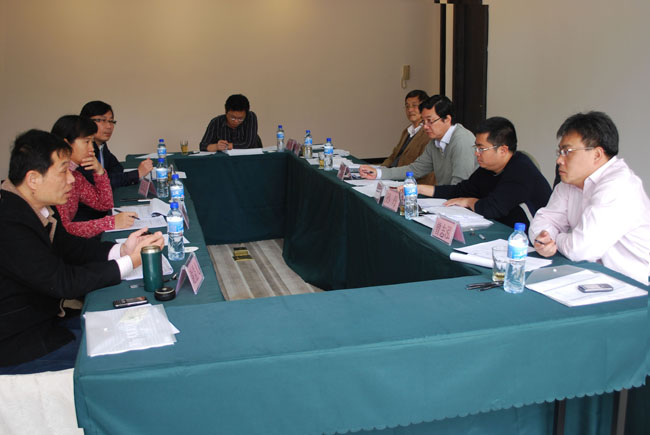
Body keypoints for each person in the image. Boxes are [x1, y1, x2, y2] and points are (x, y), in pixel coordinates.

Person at [0, 130, 164, 372]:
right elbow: (63, 282)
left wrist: (122, 250)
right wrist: (129, 262)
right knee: (128, 355)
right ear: (33, 179)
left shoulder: (35, 207)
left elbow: (72, 248)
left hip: (47, 319)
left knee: (134, 325)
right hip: (18, 341)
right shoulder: (9, 222)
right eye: (63, 171)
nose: (71, 179)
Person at [530, 111, 650, 285]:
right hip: (591, 276)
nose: (559, 160)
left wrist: (556, 238)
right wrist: (544, 239)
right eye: (559, 152)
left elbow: (580, 249)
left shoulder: (620, 184)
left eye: (567, 152)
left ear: (597, 155)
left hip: (633, 285)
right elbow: (543, 219)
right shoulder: (569, 183)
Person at [418, 117, 551, 228]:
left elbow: (491, 208)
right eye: (476, 147)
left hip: (527, 239)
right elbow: (460, 191)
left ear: (503, 150)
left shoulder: (521, 170)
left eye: (481, 149)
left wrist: (469, 202)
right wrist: (418, 188)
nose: (476, 153)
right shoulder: (487, 169)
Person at [359, 95, 477, 185]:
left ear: (447, 119)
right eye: (423, 121)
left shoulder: (462, 140)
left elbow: (461, 185)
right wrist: (378, 173)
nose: (425, 127)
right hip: (446, 199)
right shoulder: (434, 141)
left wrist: (429, 191)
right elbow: (415, 169)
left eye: (430, 121)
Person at [51, 115, 138, 238]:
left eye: (92, 142)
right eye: (86, 142)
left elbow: (104, 205)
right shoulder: (54, 179)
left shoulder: (76, 176)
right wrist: (110, 222)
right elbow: (63, 230)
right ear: (66, 144)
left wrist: (99, 171)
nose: (92, 149)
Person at [79, 100, 153, 189]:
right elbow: (95, 183)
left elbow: (117, 168)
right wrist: (137, 174)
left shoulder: (101, 145)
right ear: (85, 122)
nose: (109, 126)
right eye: (102, 120)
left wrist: (111, 177)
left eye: (111, 121)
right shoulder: (83, 151)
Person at [381, 90, 436, 184]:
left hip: (410, 183)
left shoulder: (428, 134)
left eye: (414, 105)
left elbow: (424, 171)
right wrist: (380, 169)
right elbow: (393, 156)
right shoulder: (407, 131)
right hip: (392, 177)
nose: (410, 110)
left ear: (425, 107)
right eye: (407, 106)